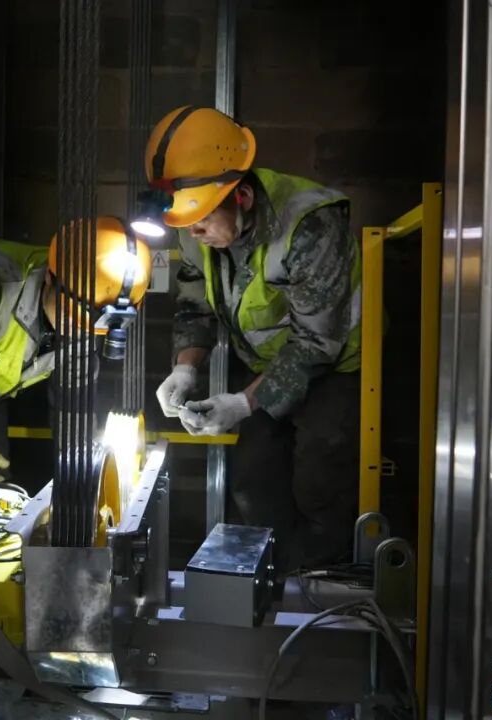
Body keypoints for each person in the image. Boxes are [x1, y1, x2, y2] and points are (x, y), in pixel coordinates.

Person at [144, 106, 362, 573]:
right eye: (185, 224)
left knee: (320, 479)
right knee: (251, 480)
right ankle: (271, 582)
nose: (194, 234)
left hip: (334, 367)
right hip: (269, 366)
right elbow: (195, 304)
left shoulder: (309, 224)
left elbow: (316, 344)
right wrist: (185, 368)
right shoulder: (194, 227)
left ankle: (324, 586)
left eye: (202, 221)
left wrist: (242, 404)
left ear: (241, 196)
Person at [0, 216, 151, 487]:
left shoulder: (86, 313)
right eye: (72, 315)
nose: (77, 330)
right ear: (50, 277)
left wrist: (82, 473)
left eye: (89, 325)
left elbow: (75, 401)